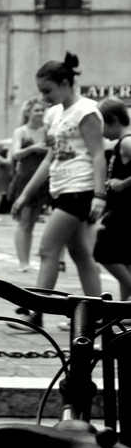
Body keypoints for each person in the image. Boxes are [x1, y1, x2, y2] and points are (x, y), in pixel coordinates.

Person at [11, 53, 106, 334]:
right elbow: (51, 158)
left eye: (48, 91)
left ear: (65, 83)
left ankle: (37, 314)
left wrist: (99, 194)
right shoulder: (54, 115)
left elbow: (98, 154)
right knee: (80, 254)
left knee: (47, 249)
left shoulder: (86, 111)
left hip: (80, 188)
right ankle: (98, 314)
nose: (44, 98)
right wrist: (26, 194)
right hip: (62, 188)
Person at [92, 98, 131, 300]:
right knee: (125, 260)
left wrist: (122, 183)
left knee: (103, 252)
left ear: (114, 120)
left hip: (124, 211)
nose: (101, 132)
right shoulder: (120, 143)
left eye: (102, 126)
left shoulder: (127, 142)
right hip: (122, 209)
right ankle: (125, 308)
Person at [6, 97, 48, 272]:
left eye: (41, 110)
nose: (39, 113)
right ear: (28, 112)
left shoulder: (46, 131)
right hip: (24, 179)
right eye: (36, 110)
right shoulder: (21, 131)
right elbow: (15, 154)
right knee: (23, 222)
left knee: (31, 224)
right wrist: (32, 149)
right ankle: (23, 262)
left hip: (40, 181)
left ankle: (27, 260)